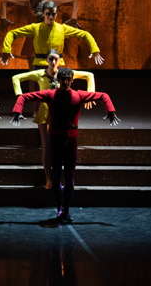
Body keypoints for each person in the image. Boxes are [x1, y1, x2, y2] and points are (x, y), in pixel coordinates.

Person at [11, 67, 119, 223]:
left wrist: (111, 110)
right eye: (63, 80)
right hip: (56, 139)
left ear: (72, 81)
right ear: (59, 81)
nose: (65, 82)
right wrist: (17, 110)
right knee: (56, 177)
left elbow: (103, 96)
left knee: (69, 177)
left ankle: (65, 210)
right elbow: (25, 97)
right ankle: (60, 208)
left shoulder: (77, 95)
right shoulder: (51, 94)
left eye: (68, 80)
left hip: (70, 140)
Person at [11, 50, 97, 188]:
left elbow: (89, 75)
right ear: (46, 60)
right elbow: (16, 78)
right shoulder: (40, 74)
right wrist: (20, 96)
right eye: (50, 59)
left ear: (60, 60)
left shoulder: (65, 74)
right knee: (47, 147)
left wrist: (90, 94)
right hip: (45, 114)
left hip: (62, 114)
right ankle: (48, 179)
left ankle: (66, 179)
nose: (53, 62)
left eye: (56, 59)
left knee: (63, 147)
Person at [1, 0, 104, 67]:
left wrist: (95, 49)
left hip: (58, 65)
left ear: (56, 14)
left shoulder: (62, 28)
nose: (51, 17)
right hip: (40, 65)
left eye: (53, 14)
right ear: (43, 14)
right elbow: (12, 33)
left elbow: (85, 34)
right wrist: (6, 50)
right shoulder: (35, 27)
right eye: (48, 14)